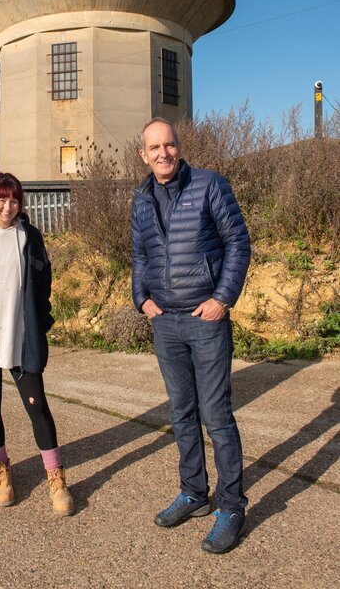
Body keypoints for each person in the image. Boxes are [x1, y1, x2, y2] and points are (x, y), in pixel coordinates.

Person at [131, 118, 251, 554]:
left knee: (216, 416)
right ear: (143, 155)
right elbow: (139, 252)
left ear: (179, 148)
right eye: (154, 148)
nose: (163, 153)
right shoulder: (141, 198)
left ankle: (232, 506)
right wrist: (140, 297)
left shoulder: (209, 185)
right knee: (182, 414)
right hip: (165, 322)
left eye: (169, 145)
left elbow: (238, 241)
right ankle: (194, 494)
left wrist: (223, 298)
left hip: (206, 319)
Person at [0, 172, 74, 517]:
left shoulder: (30, 236)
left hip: (21, 334)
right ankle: (1, 471)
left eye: (14, 200)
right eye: (1, 199)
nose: (7, 206)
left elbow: (44, 282)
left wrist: (42, 321)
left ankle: (56, 477)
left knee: (37, 406)